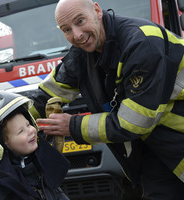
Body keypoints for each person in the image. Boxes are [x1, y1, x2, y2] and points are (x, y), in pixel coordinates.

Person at [23, 0, 184, 199]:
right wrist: (6, 119)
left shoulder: (142, 43)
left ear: (97, 10)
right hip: (157, 146)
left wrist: (71, 125)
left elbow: (133, 123)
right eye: (66, 29)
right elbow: (47, 94)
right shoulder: (82, 54)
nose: (77, 35)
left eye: (80, 21)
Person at [0, 90, 70, 200]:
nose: (30, 131)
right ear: (0, 143)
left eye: (28, 124)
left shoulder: (39, 167)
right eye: (21, 131)